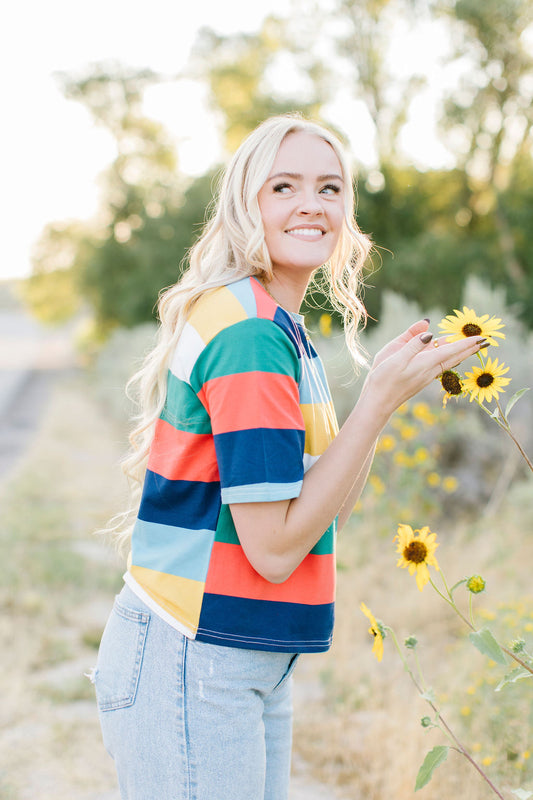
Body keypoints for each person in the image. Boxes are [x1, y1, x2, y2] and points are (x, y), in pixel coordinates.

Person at [93, 114, 488, 800]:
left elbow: (322, 504)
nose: (312, 203)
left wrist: (379, 402)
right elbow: (274, 550)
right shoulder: (249, 333)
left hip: (234, 659)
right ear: (247, 205)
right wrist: (371, 406)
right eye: (284, 186)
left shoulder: (277, 326)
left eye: (329, 187)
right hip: (196, 657)